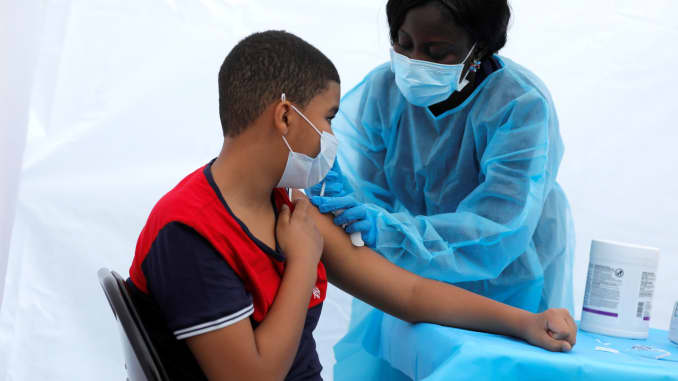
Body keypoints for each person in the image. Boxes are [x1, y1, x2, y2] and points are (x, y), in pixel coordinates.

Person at [127, 30, 576, 381]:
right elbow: (253, 378)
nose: (332, 138)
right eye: (327, 118)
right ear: (285, 117)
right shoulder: (190, 233)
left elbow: (409, 293)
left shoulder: (286, 205)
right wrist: (303, 262)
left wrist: (525, 323)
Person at [309, 1, 575, 375]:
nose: (414, 61)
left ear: (478, 49)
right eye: (403, 43)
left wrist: (387, 231)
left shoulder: (520, 105)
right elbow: (357, 192)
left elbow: (498, 230)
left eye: (437, 53)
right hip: (403, 276)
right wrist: (350, 206)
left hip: (502, 283)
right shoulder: (384, 91)